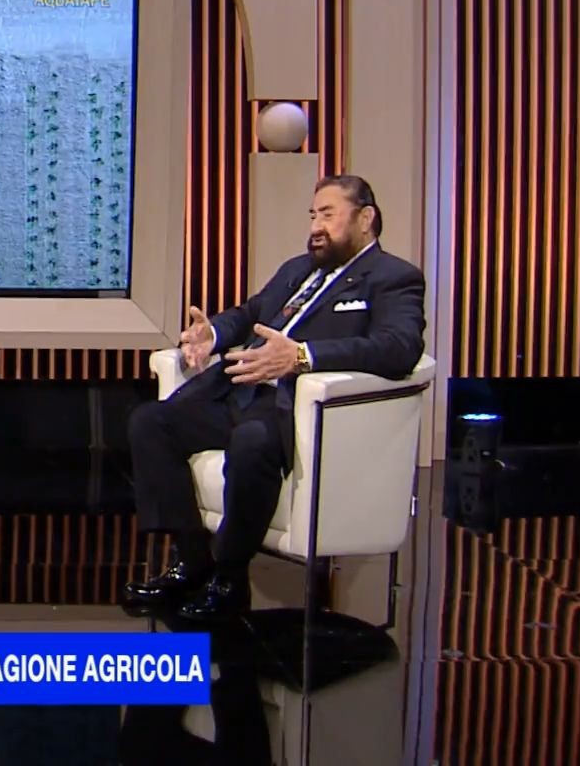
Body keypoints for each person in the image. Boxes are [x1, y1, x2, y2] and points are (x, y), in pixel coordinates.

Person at [124, 174, 425, 623]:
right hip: (237, 386)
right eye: (313, 215)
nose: (316, 226)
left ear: (365, 219)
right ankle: (193, 560)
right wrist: (213, 333)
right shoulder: (297, 270)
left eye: (328, 214)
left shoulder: (393, 277)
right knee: (150, 422)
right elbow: (251, 313)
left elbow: (400, 346)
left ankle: (229, 577)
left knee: (252, 443)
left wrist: (302, 356)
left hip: (290, 404)